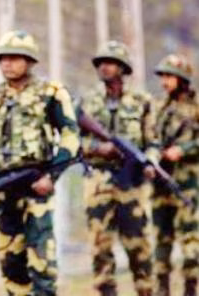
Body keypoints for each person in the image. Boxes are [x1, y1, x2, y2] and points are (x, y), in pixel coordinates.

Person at [0, 30, 79, 295]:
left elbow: (70, 136)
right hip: (2, 188)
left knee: (41, 261)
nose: (7, 63)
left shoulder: (50, 93)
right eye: (2, 58)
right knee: (11, 263)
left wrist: (52, 176)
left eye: (14, 58)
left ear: (30, 61)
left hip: (37, 186)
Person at [79, 40, 158, 296]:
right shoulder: (87, 102)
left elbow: (153, 142)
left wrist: (150, 161)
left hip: (133, 184)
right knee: (100, 247)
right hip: (98, 182)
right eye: (101, 63)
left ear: (123, 68)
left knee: (139, 246)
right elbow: (73, 141)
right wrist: (97, 148)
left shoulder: (143, 101)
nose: (104, 67)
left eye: (110, 63)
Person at [151, 54, 199, 296]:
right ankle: (162, 290)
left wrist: (184, 150)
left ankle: (190, 288)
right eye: (163, 76)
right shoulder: (159, 107)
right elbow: (150, 136)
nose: (164, 82)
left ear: (182, 79)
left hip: (187, 185)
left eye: (169, 76)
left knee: (190, 241)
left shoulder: (195, 107)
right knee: (161, 240)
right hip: (161, 183)